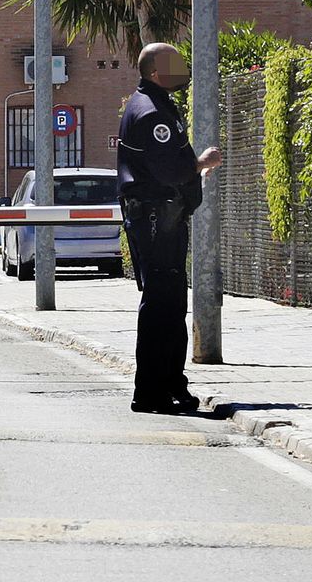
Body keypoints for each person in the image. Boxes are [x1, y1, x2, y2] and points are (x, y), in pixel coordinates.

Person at [116, 42, 223, 414]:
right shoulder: (151, 113)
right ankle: (151, 392)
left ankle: (171, 384)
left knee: (171, 304)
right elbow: (167, 169)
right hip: (157, 218)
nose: (183, 67)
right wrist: (200, 164)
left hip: (163, 217)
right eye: (175, 62)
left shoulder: (155, 103)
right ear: (156, 71)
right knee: (162, 306)